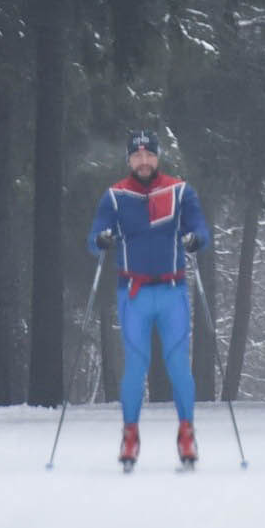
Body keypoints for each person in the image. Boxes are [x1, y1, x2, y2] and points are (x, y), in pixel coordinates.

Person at [88, 130, 211, 469]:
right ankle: (130, 435)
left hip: (172, 291)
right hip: (133, 293)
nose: (144, 161)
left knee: (178, 366)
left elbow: (201, 228)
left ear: (158, 157)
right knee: (135, 366)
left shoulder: (179, 190)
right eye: (137, 156)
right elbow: (93, 236)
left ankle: (187, 433)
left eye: (149, 155)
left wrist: (195, 239)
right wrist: (101, 239)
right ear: (129, 160)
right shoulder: (116, 196)